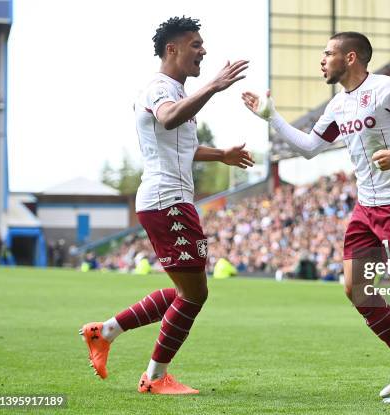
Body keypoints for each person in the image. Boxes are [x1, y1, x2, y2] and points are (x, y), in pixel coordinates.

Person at [243, 32, 390, 403]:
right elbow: (310, 148)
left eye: (328, 53)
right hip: (365, 206)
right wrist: (272, 118)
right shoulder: (337, 105)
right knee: (355, 288)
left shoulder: (389, 88)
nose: (322, 59)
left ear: (351, 58)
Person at [79, 16, 253, 395]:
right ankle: (155, 378)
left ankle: (104, 332)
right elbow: (169, 118)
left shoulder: (172, 89)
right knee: (194, 295)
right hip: (166, 201)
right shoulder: (160, 89)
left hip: (172, 200)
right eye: (195, 44)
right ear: (172, 49)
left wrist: (219, 154)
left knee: (186, 291)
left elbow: (180, 145)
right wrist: (214, 86)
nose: (203, 50)